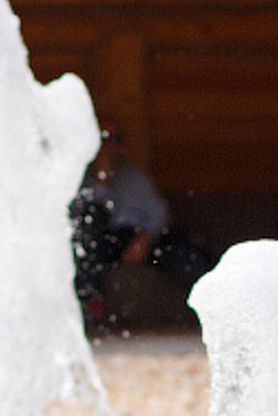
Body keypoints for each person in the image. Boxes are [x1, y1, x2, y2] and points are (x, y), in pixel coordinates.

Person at [69, 134, 212, 321]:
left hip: (136, 238)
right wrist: (102, 180)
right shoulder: (76, 179)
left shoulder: (135, 177)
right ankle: (91, 309)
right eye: (101, 139)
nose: (107, 146)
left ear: (121, 146)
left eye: (113, 139)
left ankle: (212, 305)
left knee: (182, 249)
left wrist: (146, 236)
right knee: (85, 238)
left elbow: (159, 212)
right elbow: (76, 217)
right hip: (99, 241)